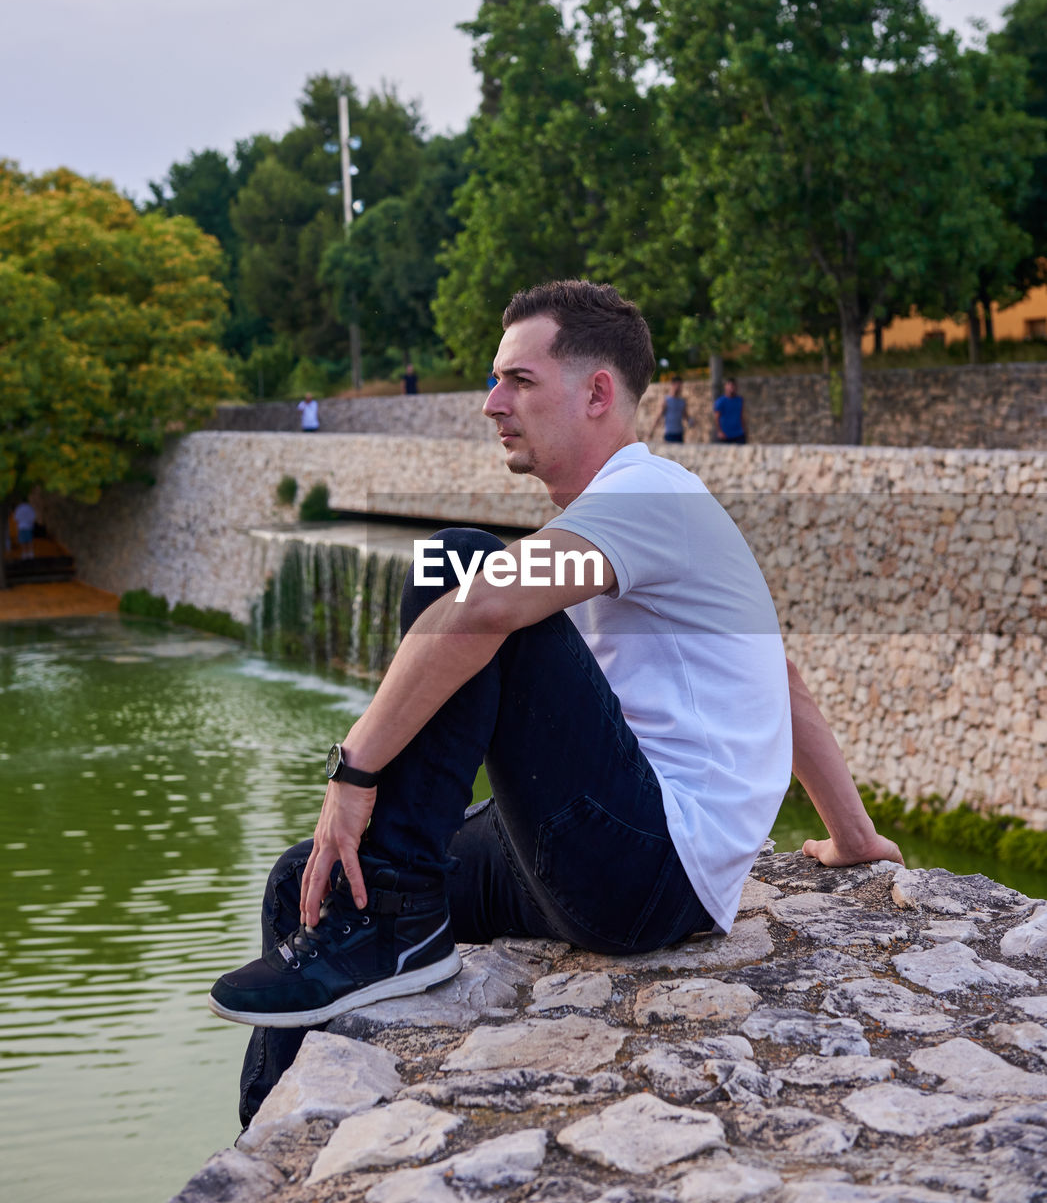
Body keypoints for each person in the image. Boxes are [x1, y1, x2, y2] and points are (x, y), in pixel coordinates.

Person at [210, 280, 900, 1125]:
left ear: (598, 391)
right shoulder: (630, 514)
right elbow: (781, 681)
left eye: (518, 382)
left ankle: (397, 922)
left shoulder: (651, 496)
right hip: (594, 853)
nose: (492, 404)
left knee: (461, 565)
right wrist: (854, 838)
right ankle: (270, 1144)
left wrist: (353, 772)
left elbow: (489, 606)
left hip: (645, 866)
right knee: (307, 888)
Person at [648, 374, 690, 443]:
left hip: (679, 433)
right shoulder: (666, 400)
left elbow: (685, 416)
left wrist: (691, 421)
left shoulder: (682, 402)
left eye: (681, 386)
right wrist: (652, 431)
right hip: (670, 434)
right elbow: (659, 415)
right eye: (678, 385)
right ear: (673, 385)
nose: (680, 388)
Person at [714, 377, 746, 443]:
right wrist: (719, 431)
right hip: (725, 436)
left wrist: (745, 431)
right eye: (730, 386)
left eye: (733, 386)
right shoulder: (720, 401)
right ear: (726, 387)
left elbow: (742, 416)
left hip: (739, 434)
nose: (732, 388)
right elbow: (716, 417)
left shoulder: (739, 400)